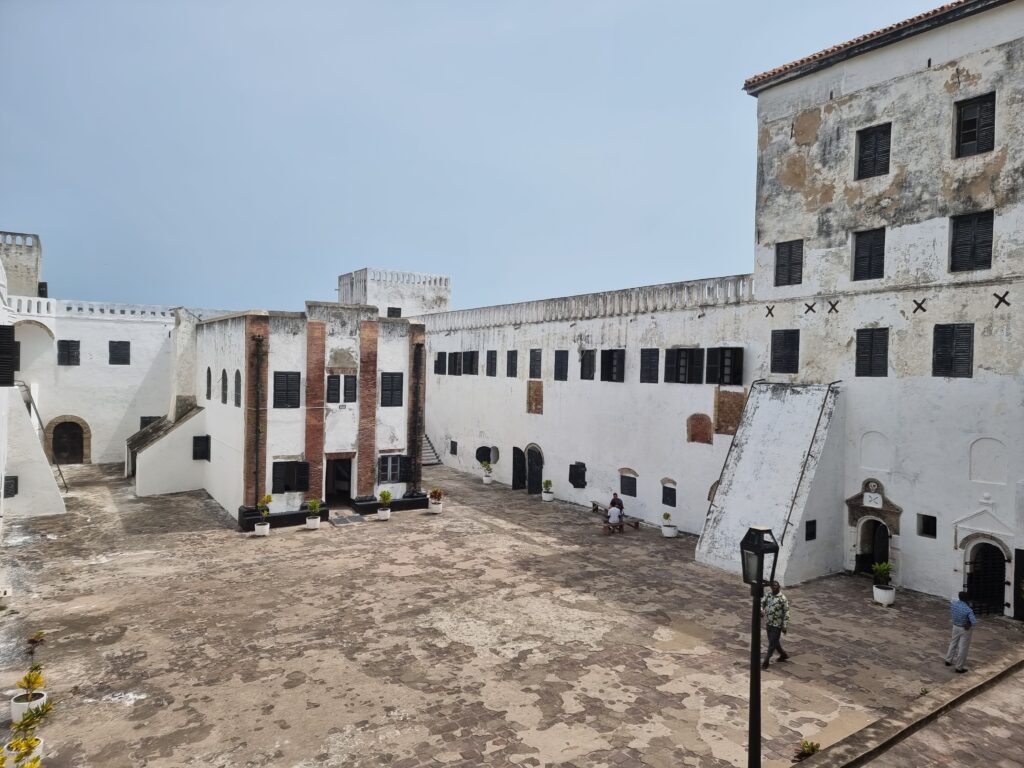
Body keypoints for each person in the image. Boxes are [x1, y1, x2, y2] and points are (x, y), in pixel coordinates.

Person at [944, 591, 976, 673]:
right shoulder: (968, 609)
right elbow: (974, 622)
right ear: (966, 599)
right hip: (964, 629)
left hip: (955, 626)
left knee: (953, 643)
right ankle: (959, 667)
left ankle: (948, 660)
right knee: (963, 648)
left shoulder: (954, 604)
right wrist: (969, 624)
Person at [761, 580, 790, 669]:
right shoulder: (768, 595)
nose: (774, 587)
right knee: (773, 641)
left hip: (777, 625)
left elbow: (786, 612)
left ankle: (766, 660)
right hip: (769, 622)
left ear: (779, 587)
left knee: (772, 644)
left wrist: (784, 625)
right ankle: (783, 654)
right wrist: (761, 610)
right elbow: (762, 603)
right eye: (773, 585)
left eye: (776, 586)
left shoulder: (782, 599)